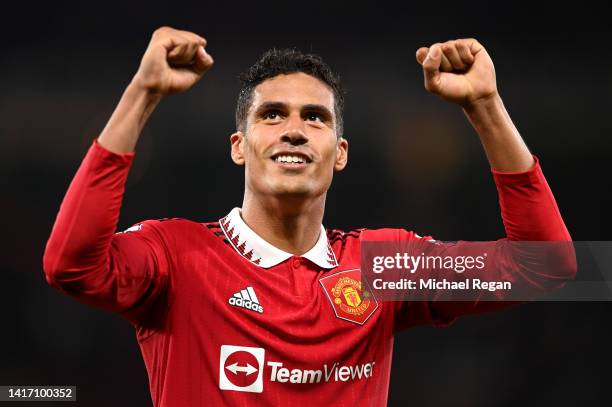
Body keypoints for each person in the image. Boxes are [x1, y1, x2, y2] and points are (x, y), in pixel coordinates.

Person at [43, 26, 575, 406]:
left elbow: (547, 267)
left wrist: (485, 105)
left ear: (339, 153)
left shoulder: (381, 268)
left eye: (314, 118)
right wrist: (143, 94)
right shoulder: (178, 256)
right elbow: (70, 267)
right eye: (271, 115)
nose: (293, 130)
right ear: (240, 146)